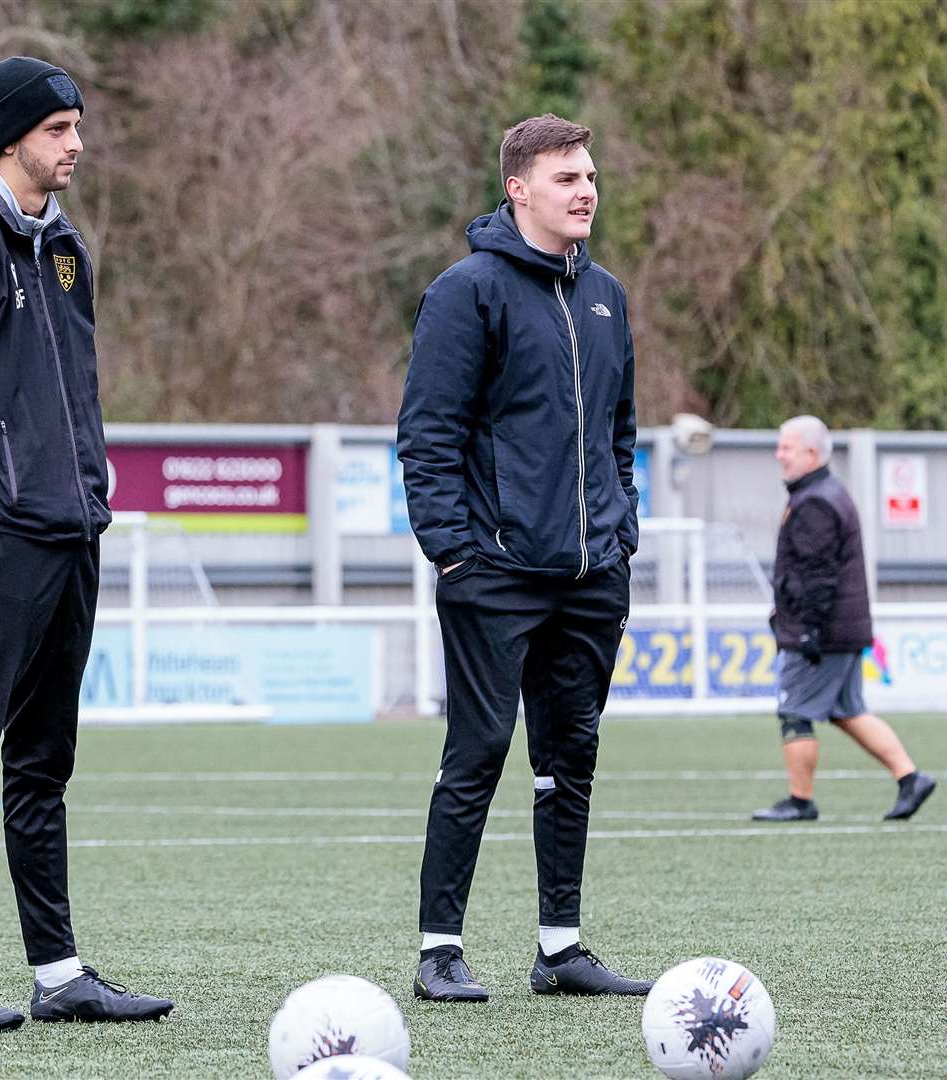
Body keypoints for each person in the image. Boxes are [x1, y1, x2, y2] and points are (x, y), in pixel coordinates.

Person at [0, 56, 172, 1032]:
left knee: (44, 762)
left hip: (68, 535)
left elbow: (77, 394)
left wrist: (90, 490)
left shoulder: (64, 250)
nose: (77, 143)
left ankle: (59, 973)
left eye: (77, 125)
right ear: (10, 138)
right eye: (58, 129)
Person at [397, 114, 653, 1003]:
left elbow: (621, 433)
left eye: (590, 175)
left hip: (592, 575)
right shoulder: (466, 292)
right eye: (565, 177)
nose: (586, 190)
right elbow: (427, 438)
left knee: (570, 756)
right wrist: (456, 555)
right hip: (494, 573)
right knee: (477, 752)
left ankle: (560, 947)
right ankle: (439, 951)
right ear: (518, 188)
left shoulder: (609, 296)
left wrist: (621, 531)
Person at [751, 415, 937, 823]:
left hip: (825, 632)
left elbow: (817, 576)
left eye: (787, 447)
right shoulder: (821, 493)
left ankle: (801, 801)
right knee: (847, 710)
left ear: (812, 453)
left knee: (795, 710)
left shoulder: (815, 500)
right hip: (845, 628)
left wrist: (808, 631)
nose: (778, 454)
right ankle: (911, 778)